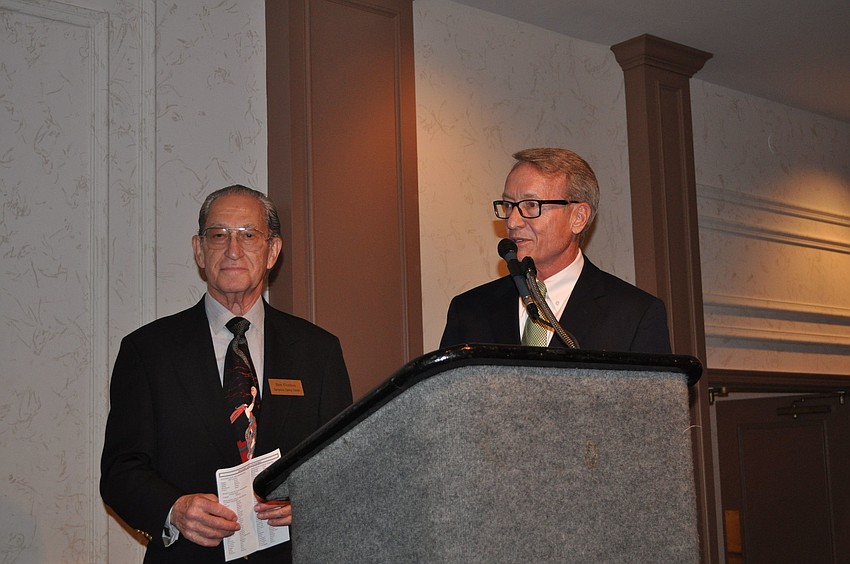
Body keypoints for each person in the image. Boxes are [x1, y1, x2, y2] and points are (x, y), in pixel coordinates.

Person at [101, 185, 352, 562]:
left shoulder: (319, 352)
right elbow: (121, 472)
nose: (233, 250)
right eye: (218, 235)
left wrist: (310, 504)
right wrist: (174, 509)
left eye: (248, 236)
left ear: (272, 251)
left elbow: (343, 467)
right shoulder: (148, 351)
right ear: (200, 250)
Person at [440, 147, 671, 354]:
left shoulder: (635, 314)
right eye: (509, 205)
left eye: (531, 205)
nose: (512, 222)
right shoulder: (469, 310)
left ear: (578, 217)